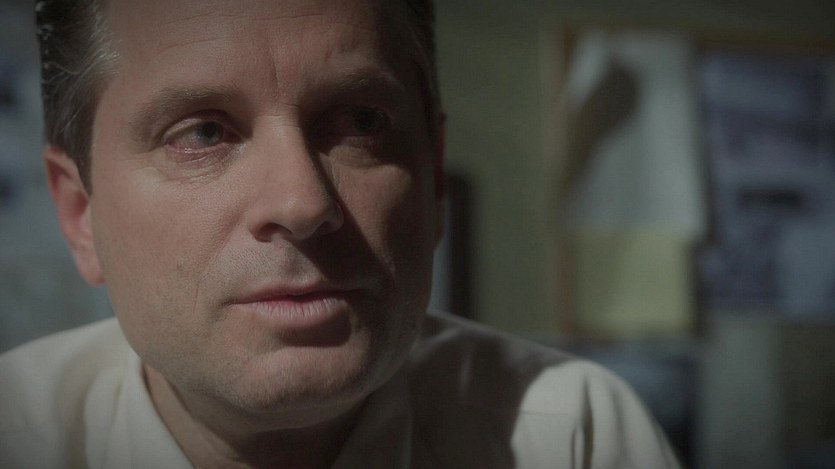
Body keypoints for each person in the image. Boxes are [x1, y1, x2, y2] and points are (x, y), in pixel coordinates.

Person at [0, 0, 681, 467]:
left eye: (360, 122)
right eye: (203, 132)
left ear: (433, 180)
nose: (302, 202)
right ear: (80, 214)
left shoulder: (573, 438)